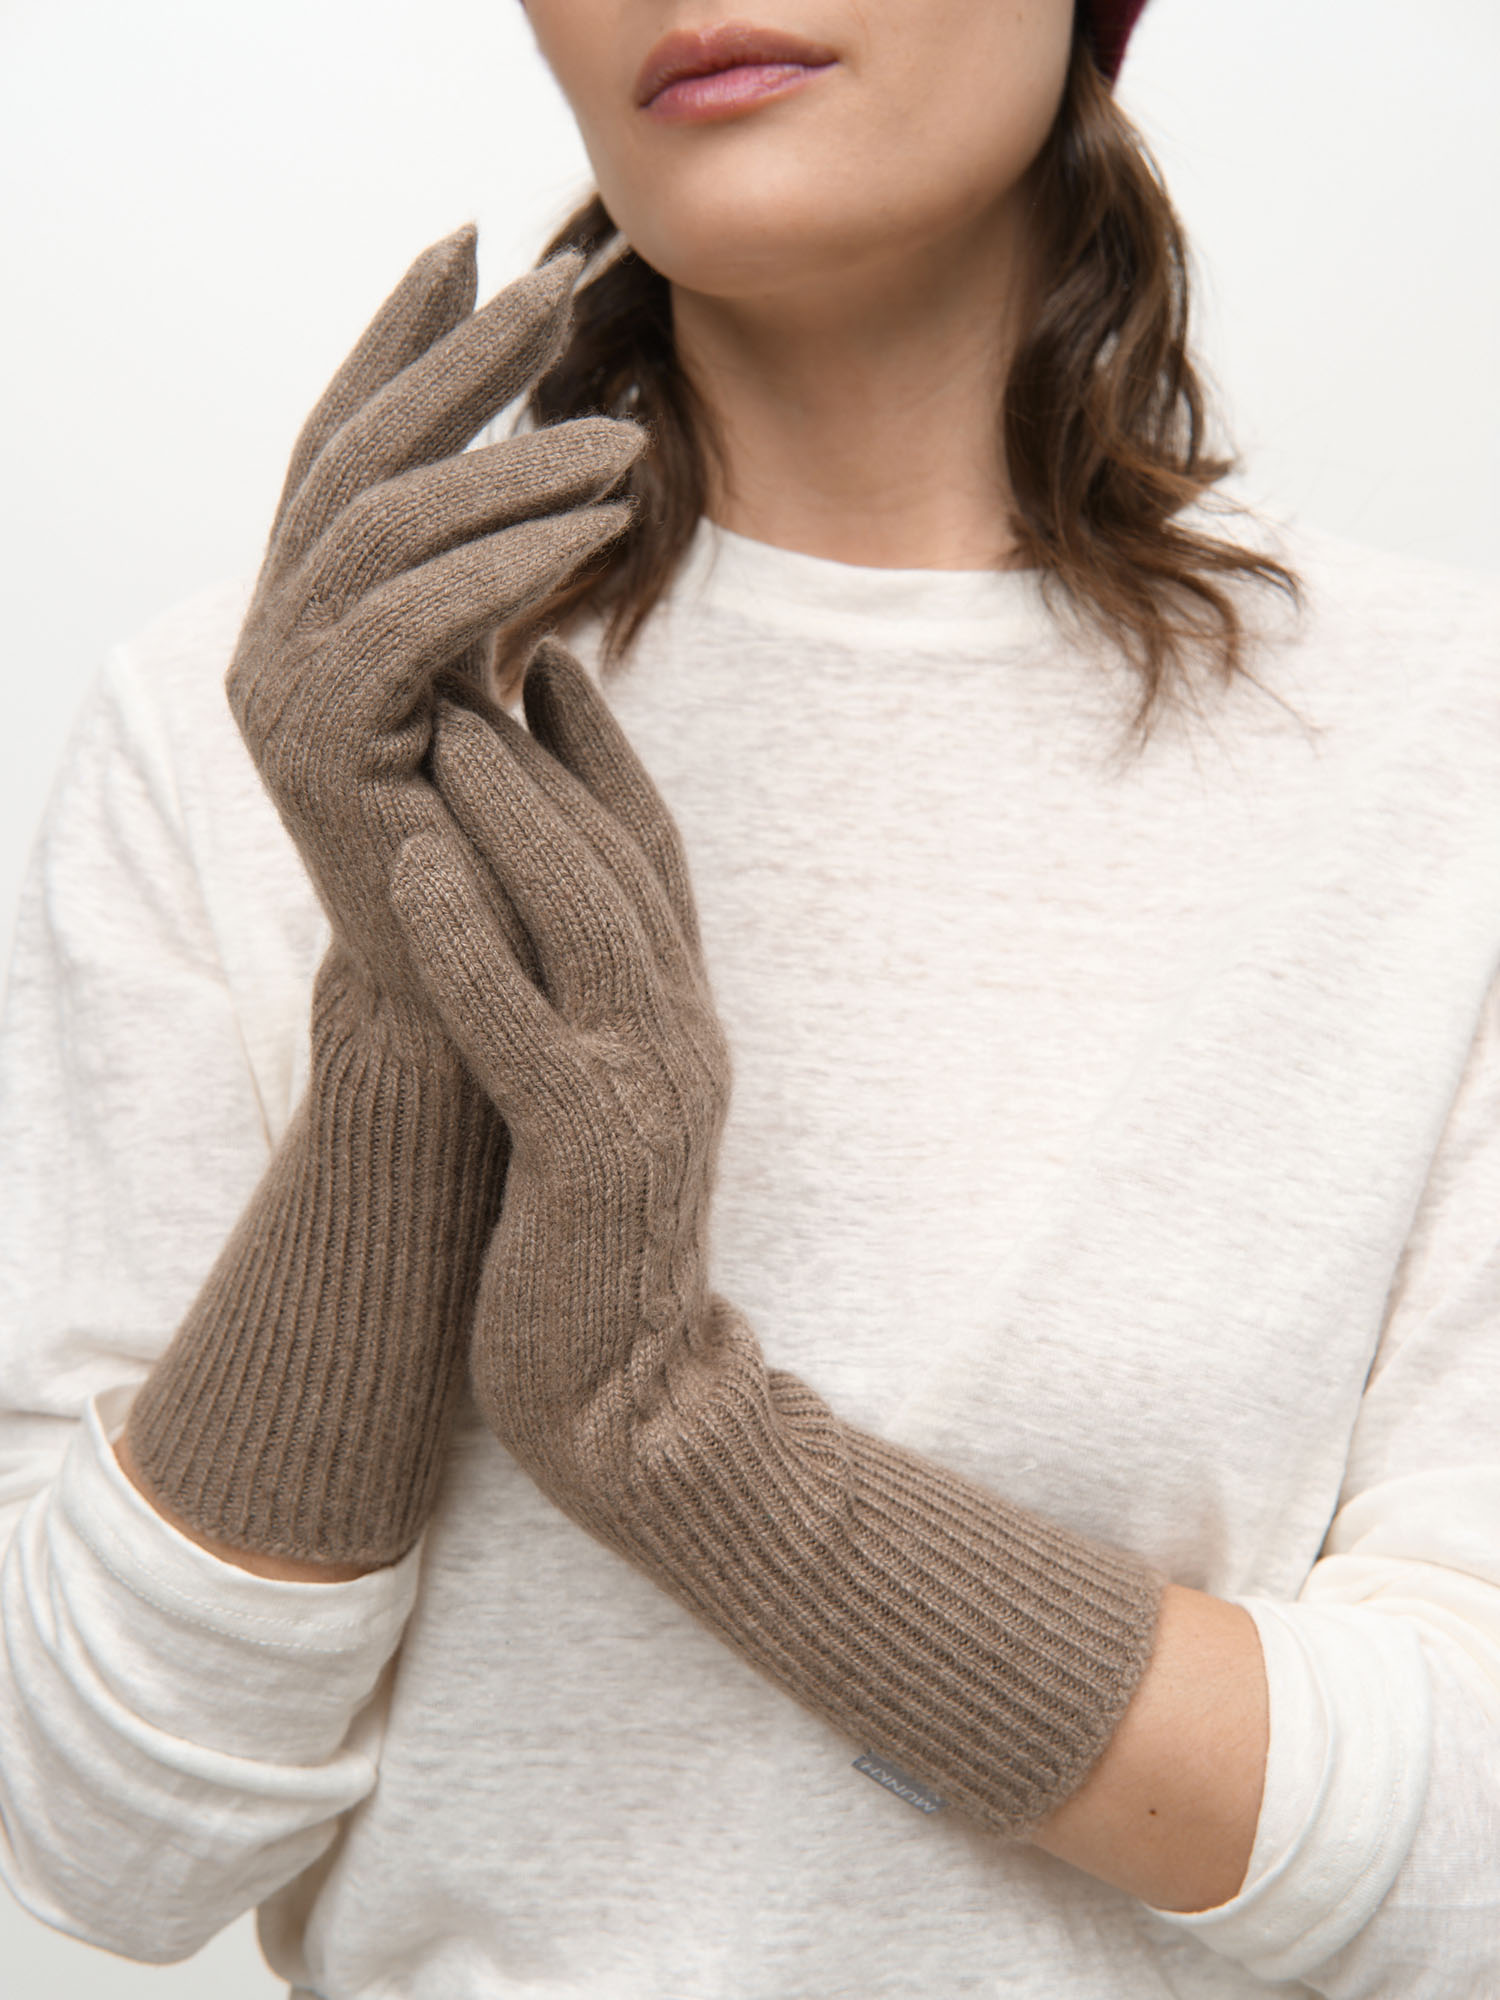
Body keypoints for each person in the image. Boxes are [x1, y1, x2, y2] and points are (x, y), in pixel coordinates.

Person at [0, 1, 1496, 1993]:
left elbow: (1471, 1858)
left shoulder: (1446, 760)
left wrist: (684, 1442)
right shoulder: (265, 732)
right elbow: (103, 1838)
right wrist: (404, 1065)